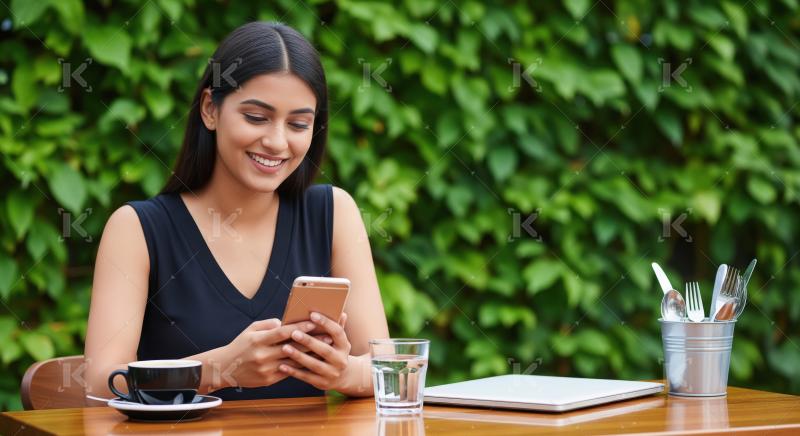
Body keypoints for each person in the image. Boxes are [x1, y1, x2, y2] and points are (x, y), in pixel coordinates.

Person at [84, 21, 389, 401]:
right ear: (210, 109)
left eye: (298, 124)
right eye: (256, 118)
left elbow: (386, 370)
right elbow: (99, 383)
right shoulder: (138, 230)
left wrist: (343, 372)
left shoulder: (332, 213)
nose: (277, 142)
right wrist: (219, 369)